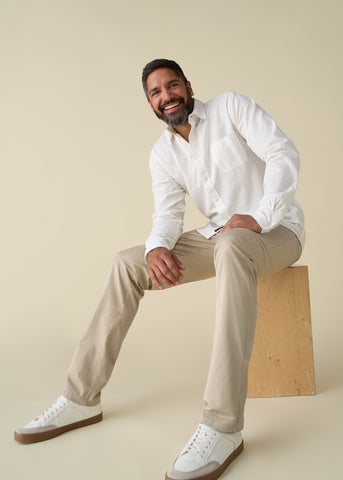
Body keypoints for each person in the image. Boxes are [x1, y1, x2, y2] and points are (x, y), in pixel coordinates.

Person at [14, 59, 304, 480]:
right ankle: (81, 397)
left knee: (234, 243)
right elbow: (168, 215)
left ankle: (223, 426)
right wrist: (155, 249)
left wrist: (260, 215)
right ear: (150, 102)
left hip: (278, 230)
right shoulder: (162, 153)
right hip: (219, 236)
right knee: (127, 263)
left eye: (172, 86)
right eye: (155, 92)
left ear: (188, 86)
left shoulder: (231, 108)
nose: (166, 96)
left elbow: (282, 152)